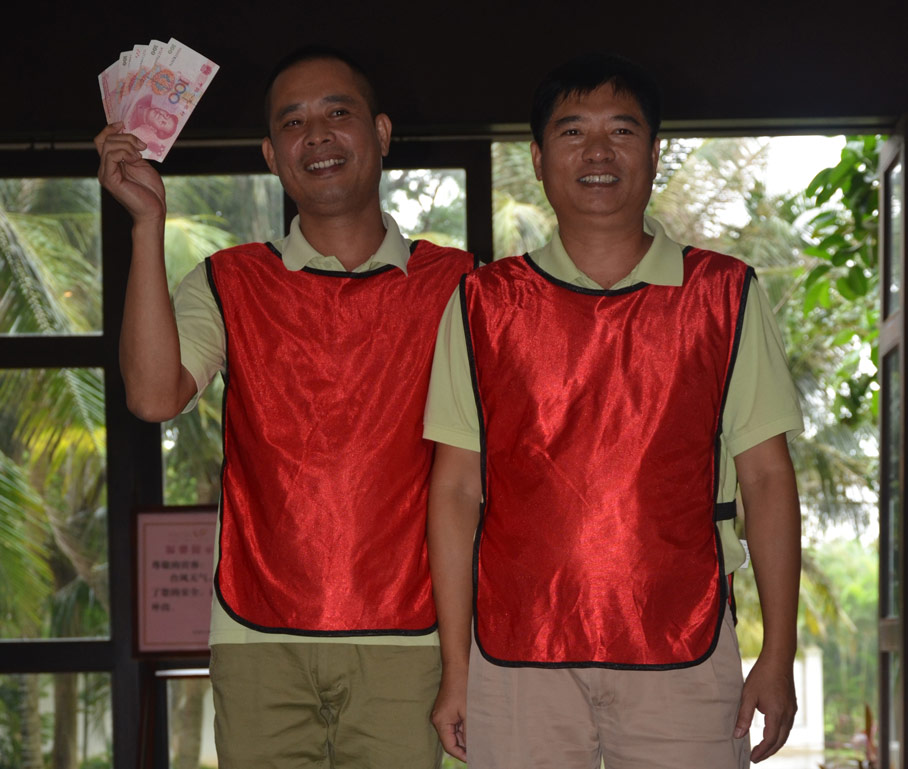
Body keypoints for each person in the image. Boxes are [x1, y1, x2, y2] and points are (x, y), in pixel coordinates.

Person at [95, 45, 475, 769]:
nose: (317, 135)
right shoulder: (229, 279)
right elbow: (152, 395)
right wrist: (146, 225)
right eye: (293, 122)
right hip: (256, 634)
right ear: (272, 155)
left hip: (413, 635)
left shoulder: (460, 282)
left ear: (381, 133)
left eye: (338, 112)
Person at [425, 52, 802, 769]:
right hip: (515, 657)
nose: (598, 152)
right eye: (573, 132)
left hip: (686, 650)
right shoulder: (484, 303)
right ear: (538, 159)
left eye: (622, 131)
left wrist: (777, 654)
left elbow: (767, 478)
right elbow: (455, 489)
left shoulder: (723, 294)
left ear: (654, 155)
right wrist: (456, 666)